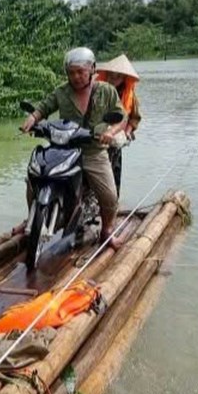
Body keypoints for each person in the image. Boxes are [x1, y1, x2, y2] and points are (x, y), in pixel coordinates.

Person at [21, 47, 127, 249]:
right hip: (63, 150)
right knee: (33, 178)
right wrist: (32, 118)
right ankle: (32, 219)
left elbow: (121, 117)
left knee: (110, 196)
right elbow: (44, 107)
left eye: (80, 72)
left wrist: (111, 132)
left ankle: (106, 231)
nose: (76, 77)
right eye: (71, 72)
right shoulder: (61, 91)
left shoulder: (106, 91)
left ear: (92, 69)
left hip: (93, 151)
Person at [96, 54, 142, 196]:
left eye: (117, 76)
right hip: (98, 131)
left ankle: (113, 200)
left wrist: (128, 132)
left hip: (117, 134)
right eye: (111, 76)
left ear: (123, 78)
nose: (113, 79)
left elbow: (134, 117)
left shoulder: (129, 95)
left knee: (114, 167)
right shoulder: (98, 90)